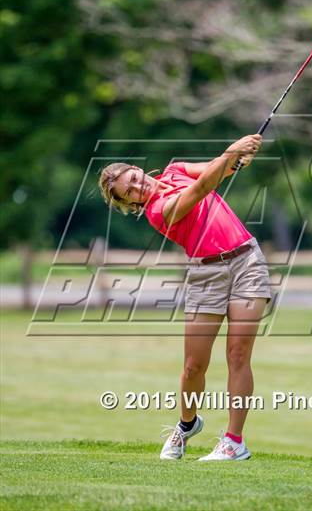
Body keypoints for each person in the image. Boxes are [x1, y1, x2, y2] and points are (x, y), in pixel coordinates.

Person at [98, 134, 272, 461]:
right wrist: (233, 149)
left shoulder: (175, 169)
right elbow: (203, 187)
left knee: (238, 354)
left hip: (247, 260)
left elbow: (212, 170)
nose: (138, 188)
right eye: (130, 192)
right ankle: (187, 424)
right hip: (206, 274)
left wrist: (236, 160)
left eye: (135, 179)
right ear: (130, 201)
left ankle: (234, 442)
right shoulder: (157, 212)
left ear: (138, 169)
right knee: (194, 365)